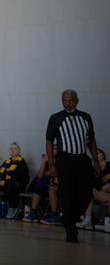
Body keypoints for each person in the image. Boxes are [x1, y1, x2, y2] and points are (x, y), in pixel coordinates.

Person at [46, 89, 100, 242]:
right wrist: (51, 164)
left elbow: (91, 141)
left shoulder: (86, 117)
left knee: (86, 193)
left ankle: (70, 219)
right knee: (66, 194)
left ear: (77, 101)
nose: (67, 103)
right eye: (64, 100)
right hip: (65, 159)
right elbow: (49, 141)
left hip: (82, 159)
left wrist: (95, 161)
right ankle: (70, 230)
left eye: (70, 100)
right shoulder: (55, 118)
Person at [77, 148, 109, 230]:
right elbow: (93, 185)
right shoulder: (93, 170)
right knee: (89, 192)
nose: (96, 155)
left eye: (98, 153)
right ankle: (87, 220)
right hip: (102, 193)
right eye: (94, 155)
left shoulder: (109, 165)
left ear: (103, 155)